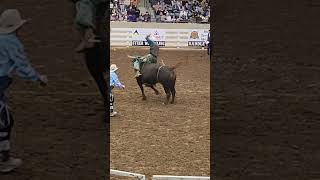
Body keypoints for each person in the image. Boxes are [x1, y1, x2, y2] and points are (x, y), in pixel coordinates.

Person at [0, 9, 48, 173]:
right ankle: (3, 160)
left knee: (5, 120)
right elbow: (22, 66)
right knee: (4, 122)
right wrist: (37, 78)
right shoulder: (11, 42)